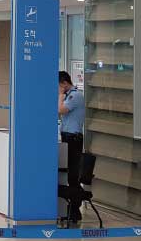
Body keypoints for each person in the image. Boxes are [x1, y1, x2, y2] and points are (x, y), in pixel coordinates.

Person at [59, 70, 85, 222]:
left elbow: (60, 110)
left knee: (73, 175)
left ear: (64, 83)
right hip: (66, 137)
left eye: (58, 86)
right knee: (67, 172)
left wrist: (60, 95)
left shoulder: (75, 95)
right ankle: (71, 208)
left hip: (73, 139)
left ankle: (75, 209)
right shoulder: (68, 95)